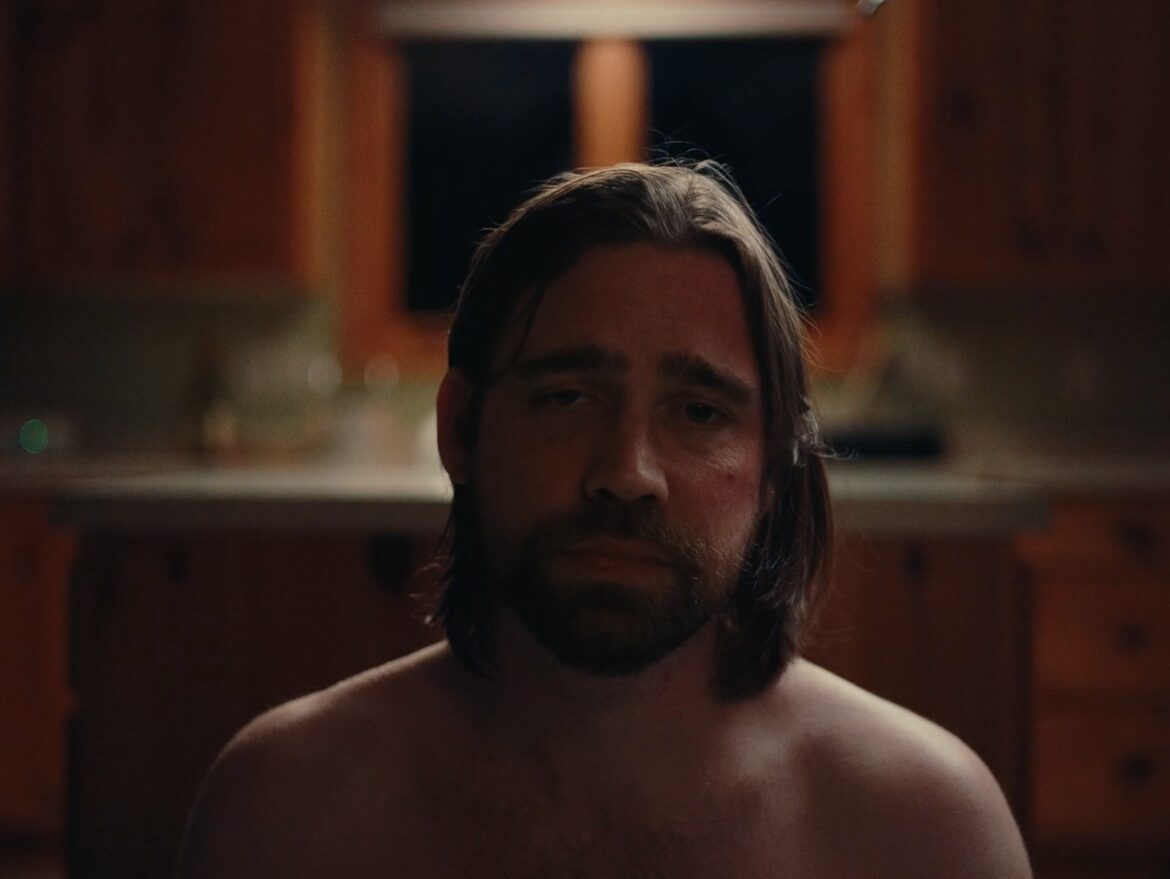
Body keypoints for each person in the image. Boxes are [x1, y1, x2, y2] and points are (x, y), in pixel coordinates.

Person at [177, 162, 1032, 878]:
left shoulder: (925, 829)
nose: (628, 473)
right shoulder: (285, 810)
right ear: (461, 430)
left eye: (698, 412)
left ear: (774, 468)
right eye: (567, 397)